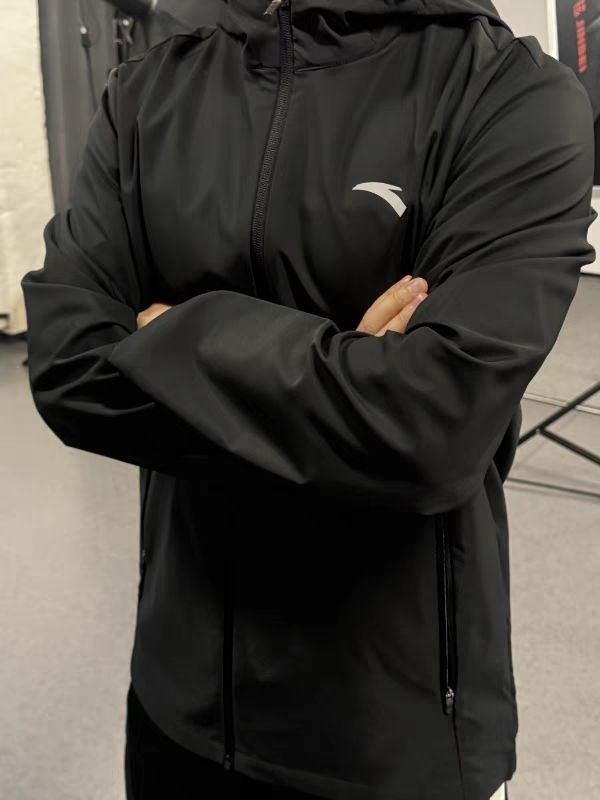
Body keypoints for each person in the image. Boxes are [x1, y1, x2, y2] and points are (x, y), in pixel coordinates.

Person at [21, 1, 596, 799]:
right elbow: (66, 361)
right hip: (179, 704)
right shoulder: (149, 90)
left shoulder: (510, 95)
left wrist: (169, 334)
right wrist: (349, 371)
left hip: (391, 733)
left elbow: (431, 428)